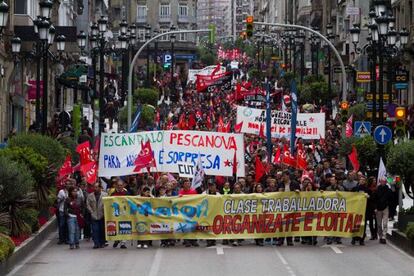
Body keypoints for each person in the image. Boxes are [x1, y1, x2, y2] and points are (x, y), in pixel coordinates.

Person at [276, 171, 300, 246]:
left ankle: (289, 240)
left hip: (291, 206)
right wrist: (278, 192)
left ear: (288, 176)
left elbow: (300, 194)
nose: (283, 177)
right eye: (282, 176)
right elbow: (275, 194)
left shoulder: (295, 183)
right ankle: (281, 240)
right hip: (282, 206)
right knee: (281, 223)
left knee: (290, 223)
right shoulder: (280, 184)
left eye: (284, 176)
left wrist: (297, 191)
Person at [179, 179, 199, 247]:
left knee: (193, 225)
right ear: (183, 185)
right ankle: (186, 241)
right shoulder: (181, 192)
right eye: (186, 183)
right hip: (184, 211)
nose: (188, 184)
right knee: (185, 226)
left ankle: (194, 240)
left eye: (188, 183)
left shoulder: (193, 191)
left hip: (192, 211)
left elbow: (196, 200)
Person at [110, 180, 129, 249]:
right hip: (116, 213)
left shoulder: (126, 193)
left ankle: (123, 243)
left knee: (124, 227)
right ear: (116, 186)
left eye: (121, 185)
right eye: (118, 185)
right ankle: (117, 239)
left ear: (123, 185)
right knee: (116, 226)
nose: (119, 186)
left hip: (124, 213)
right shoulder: (113, 194)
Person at [87, 182, 107, 249]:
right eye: (94, 187)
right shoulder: (90, 196)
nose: (95, 189)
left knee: (102, 229)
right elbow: (88, 204)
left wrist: (105, 211)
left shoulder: (105, 195)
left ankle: (102, 242)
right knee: (95, 230)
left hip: (102, 215)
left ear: (100, 188)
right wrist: (91, 212)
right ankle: (96, 243)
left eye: (96, 187)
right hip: (94, 215)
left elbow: (107, 204)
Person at [325, 174, 344, 245]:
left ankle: (338, 238)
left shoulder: (341, 188)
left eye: (332, 180)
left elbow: (345, 196)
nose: (331, 181)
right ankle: (329, 238)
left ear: (336, 181)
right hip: (330, 208)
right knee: (329, 223)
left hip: (338, 208)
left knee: (338, 223)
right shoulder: (328, 188)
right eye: (330, 180)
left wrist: (339, 193)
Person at [351, 175, 370, 245]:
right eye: (361, 179)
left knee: (363, 225)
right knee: (354, 224)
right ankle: (353, 238)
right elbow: (350, 197)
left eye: (363, 180)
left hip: (364, 210)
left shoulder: (367, 190)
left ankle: (361, 240)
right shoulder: (355, 188)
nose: (362, 181)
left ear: (365, 181)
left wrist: (368, 197)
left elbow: (371, 199)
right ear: (359, 180)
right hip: (356, 209)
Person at [375, 177, 392, 244]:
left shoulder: (388, 190)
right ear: (380, 181)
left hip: (385, 208)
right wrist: (375, 208)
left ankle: (384, 237)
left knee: (385, 223)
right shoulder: (377, 189)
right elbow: (375, 199)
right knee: (379, 224)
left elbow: (391, 198)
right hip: (378, 208)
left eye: (384, 181)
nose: (383, 182)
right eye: (382, 181)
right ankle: (380, 236)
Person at [203, 182, 220, 247]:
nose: (212, 187)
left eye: (213, 185)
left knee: (214, 226)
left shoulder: (218, 194)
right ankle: (208, 240)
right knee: (207, 226)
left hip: (215, 212)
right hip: (207, 212)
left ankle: (213, 240)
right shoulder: (204, 193)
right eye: (210, 186)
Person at [57, 180, 71, 244]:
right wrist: (61, 199)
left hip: (68, 210)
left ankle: (67, 239)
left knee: (67, 225)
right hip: (62, 210)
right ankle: (61, 239)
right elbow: (58, 201)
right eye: (67, 184)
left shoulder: (70, 192)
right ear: (65, 185)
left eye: (69, 184)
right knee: (61, 225)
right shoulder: (61, 192)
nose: (68, 185)